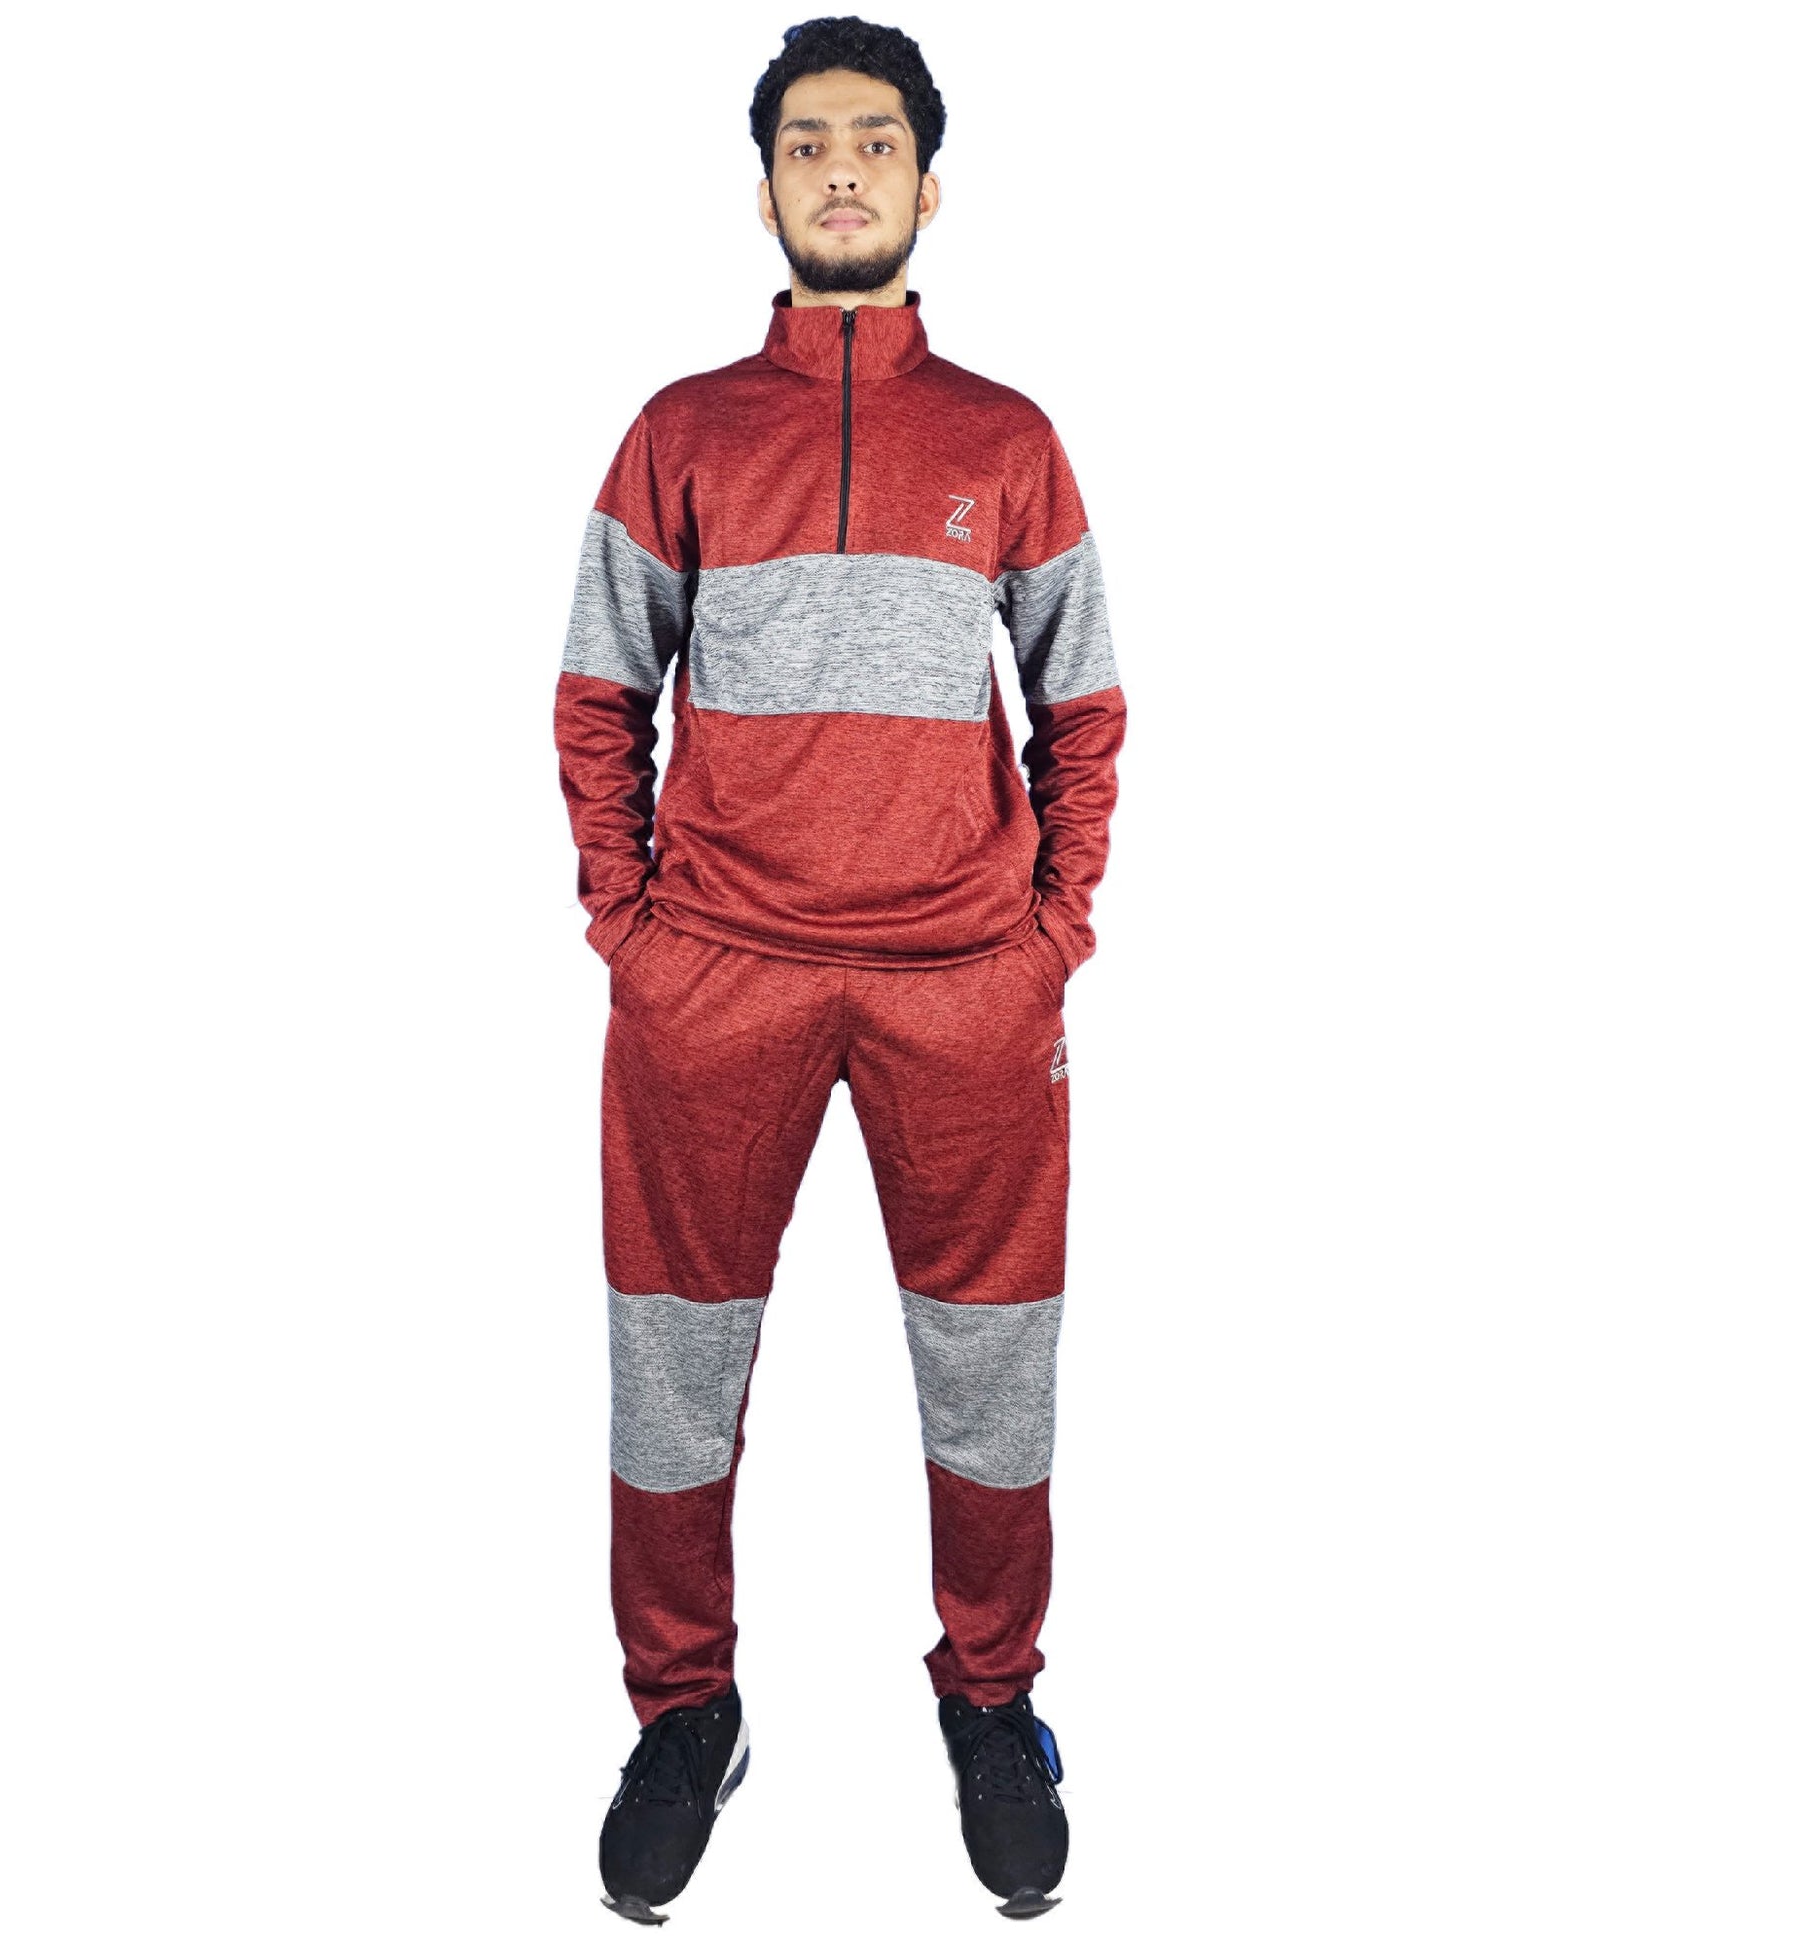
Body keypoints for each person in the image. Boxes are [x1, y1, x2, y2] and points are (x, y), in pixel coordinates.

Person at [552, 16, 1126, 1923]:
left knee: (991, 1359)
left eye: (875, 141)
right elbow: (597, 692)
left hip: (965, 980)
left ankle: (993, 1699)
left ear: (928, 187)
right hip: (712, 974)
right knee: (672, 1359)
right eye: (807, 144)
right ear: (767, 192)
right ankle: (681, 1711)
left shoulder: (1008, 439)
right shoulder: (684, 429)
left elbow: (1083, 707)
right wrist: (629, 929)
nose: (844, 169)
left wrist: (1050, 935)